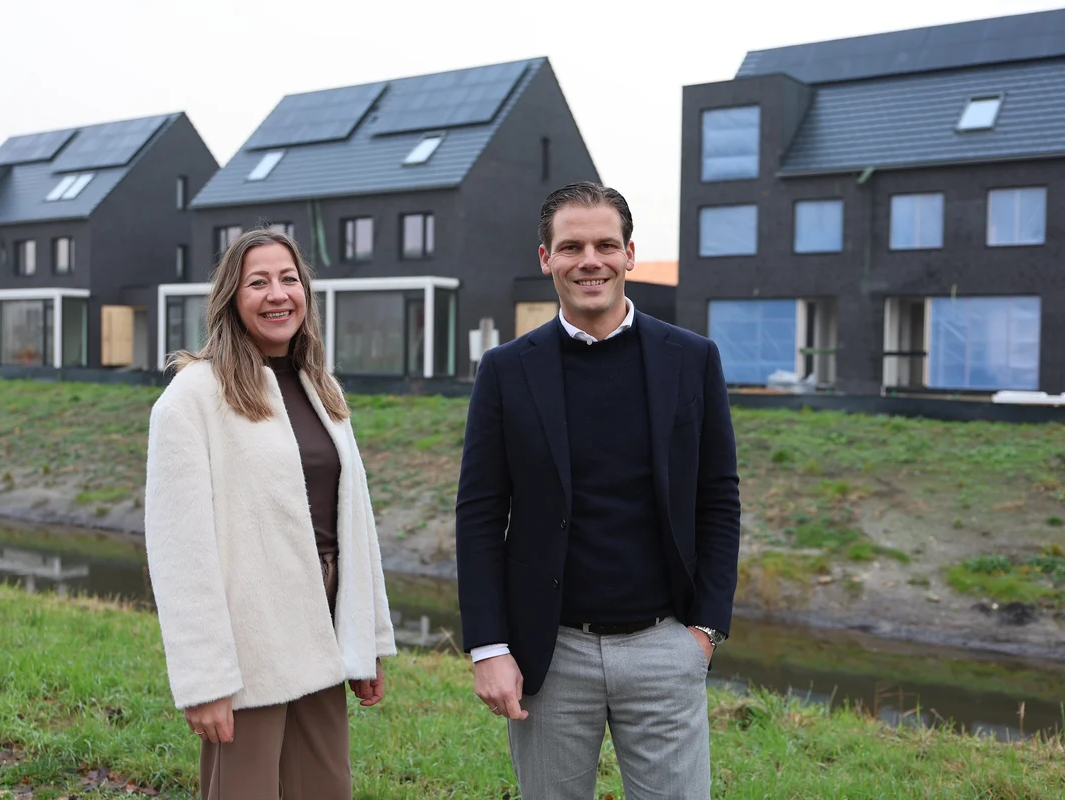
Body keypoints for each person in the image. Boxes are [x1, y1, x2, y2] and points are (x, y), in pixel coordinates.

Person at [455, 181, 741, 799]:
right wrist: (488, 646)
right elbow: (479, 515)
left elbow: (719, 497)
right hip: (549, 654)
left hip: (666, 646)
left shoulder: (692, 358)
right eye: (572, 246)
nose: (591, 260)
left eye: (606, 244)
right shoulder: (506, 369)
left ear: (629, 255)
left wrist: (705, 633)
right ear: (545, 259)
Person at [144, 227, 397, 800]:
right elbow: (180, 552)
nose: (277, 294)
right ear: (232, 298)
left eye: (289, 279)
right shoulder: (193, 397)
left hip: (326, 630)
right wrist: (204, 680)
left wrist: (366, 640)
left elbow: (356, 523)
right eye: (258, 282)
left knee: (325, 789)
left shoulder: (321, 387)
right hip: (250, 646)